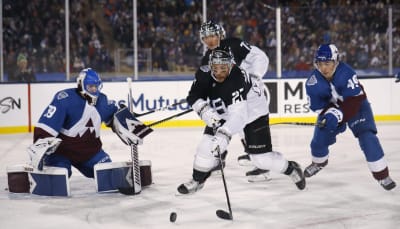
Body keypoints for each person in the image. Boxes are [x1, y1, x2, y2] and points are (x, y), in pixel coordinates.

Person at [177, 47, 306, 194]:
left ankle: (291, 168)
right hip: (225, 112)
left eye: (223, 68)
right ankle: (197, 180)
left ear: (231, 65)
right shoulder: (204, 73)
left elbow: (239, 116)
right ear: (210, 65)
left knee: (261, 160)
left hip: (253, 114)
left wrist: (224, 134)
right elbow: (193, 96)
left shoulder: (237, 78)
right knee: (205, 146)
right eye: (216, 68)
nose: (219, 73)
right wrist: (205, 111)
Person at [304, 44, 396, 191]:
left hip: (357, 106)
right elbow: (317, 106)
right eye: (320, 64)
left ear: (336, 61)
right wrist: (330, 114)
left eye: (327, 63)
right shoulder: (312, 82)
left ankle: (382, 175)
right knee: (318, 141)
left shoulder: (346, 73)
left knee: (368, 138)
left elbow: (354, 101)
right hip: (332, 110)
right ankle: (318, 163)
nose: (323, 68)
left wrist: (339, 115)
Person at [199, 21, 271, 181]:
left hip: (250, 96)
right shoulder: (206, 59)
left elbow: (260, 57)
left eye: (213, 35)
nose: (210, 40)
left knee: (247, 124)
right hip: (229, 97)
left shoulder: (234, 44)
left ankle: (262, 164)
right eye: (206, 37)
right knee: (223, 121)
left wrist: (254, 76)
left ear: (220, 35)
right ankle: (221, 157)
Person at [28, 68, 130, 179]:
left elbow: (115, 117)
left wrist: (129, 122)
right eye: (90, 87)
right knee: (60, 175)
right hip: (61, 153)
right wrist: (41, 147)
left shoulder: (102, 101)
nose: (94, 90)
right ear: (81, 85)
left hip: (90, 153)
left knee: (109, 174)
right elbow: (46, 126)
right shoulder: (64, 99)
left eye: (96, 87)